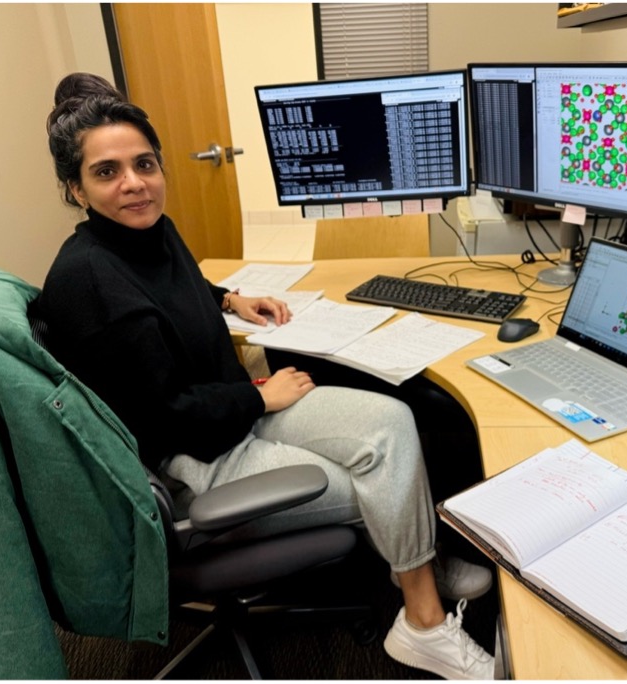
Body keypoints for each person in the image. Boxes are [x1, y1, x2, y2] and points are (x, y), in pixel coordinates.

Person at [40, 72, 494, 680]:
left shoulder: (147, 230)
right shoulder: (87, 281)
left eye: (145, 164)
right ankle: (425, 622)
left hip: (230, 412)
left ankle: (417, 572)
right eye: (107, 172)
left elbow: (171, 286)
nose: (134, 184)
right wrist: (258, 397)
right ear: (75, 187)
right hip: (192, 459)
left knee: (392, 421)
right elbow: (160, 415)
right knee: (374, 477)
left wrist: (227, 299)